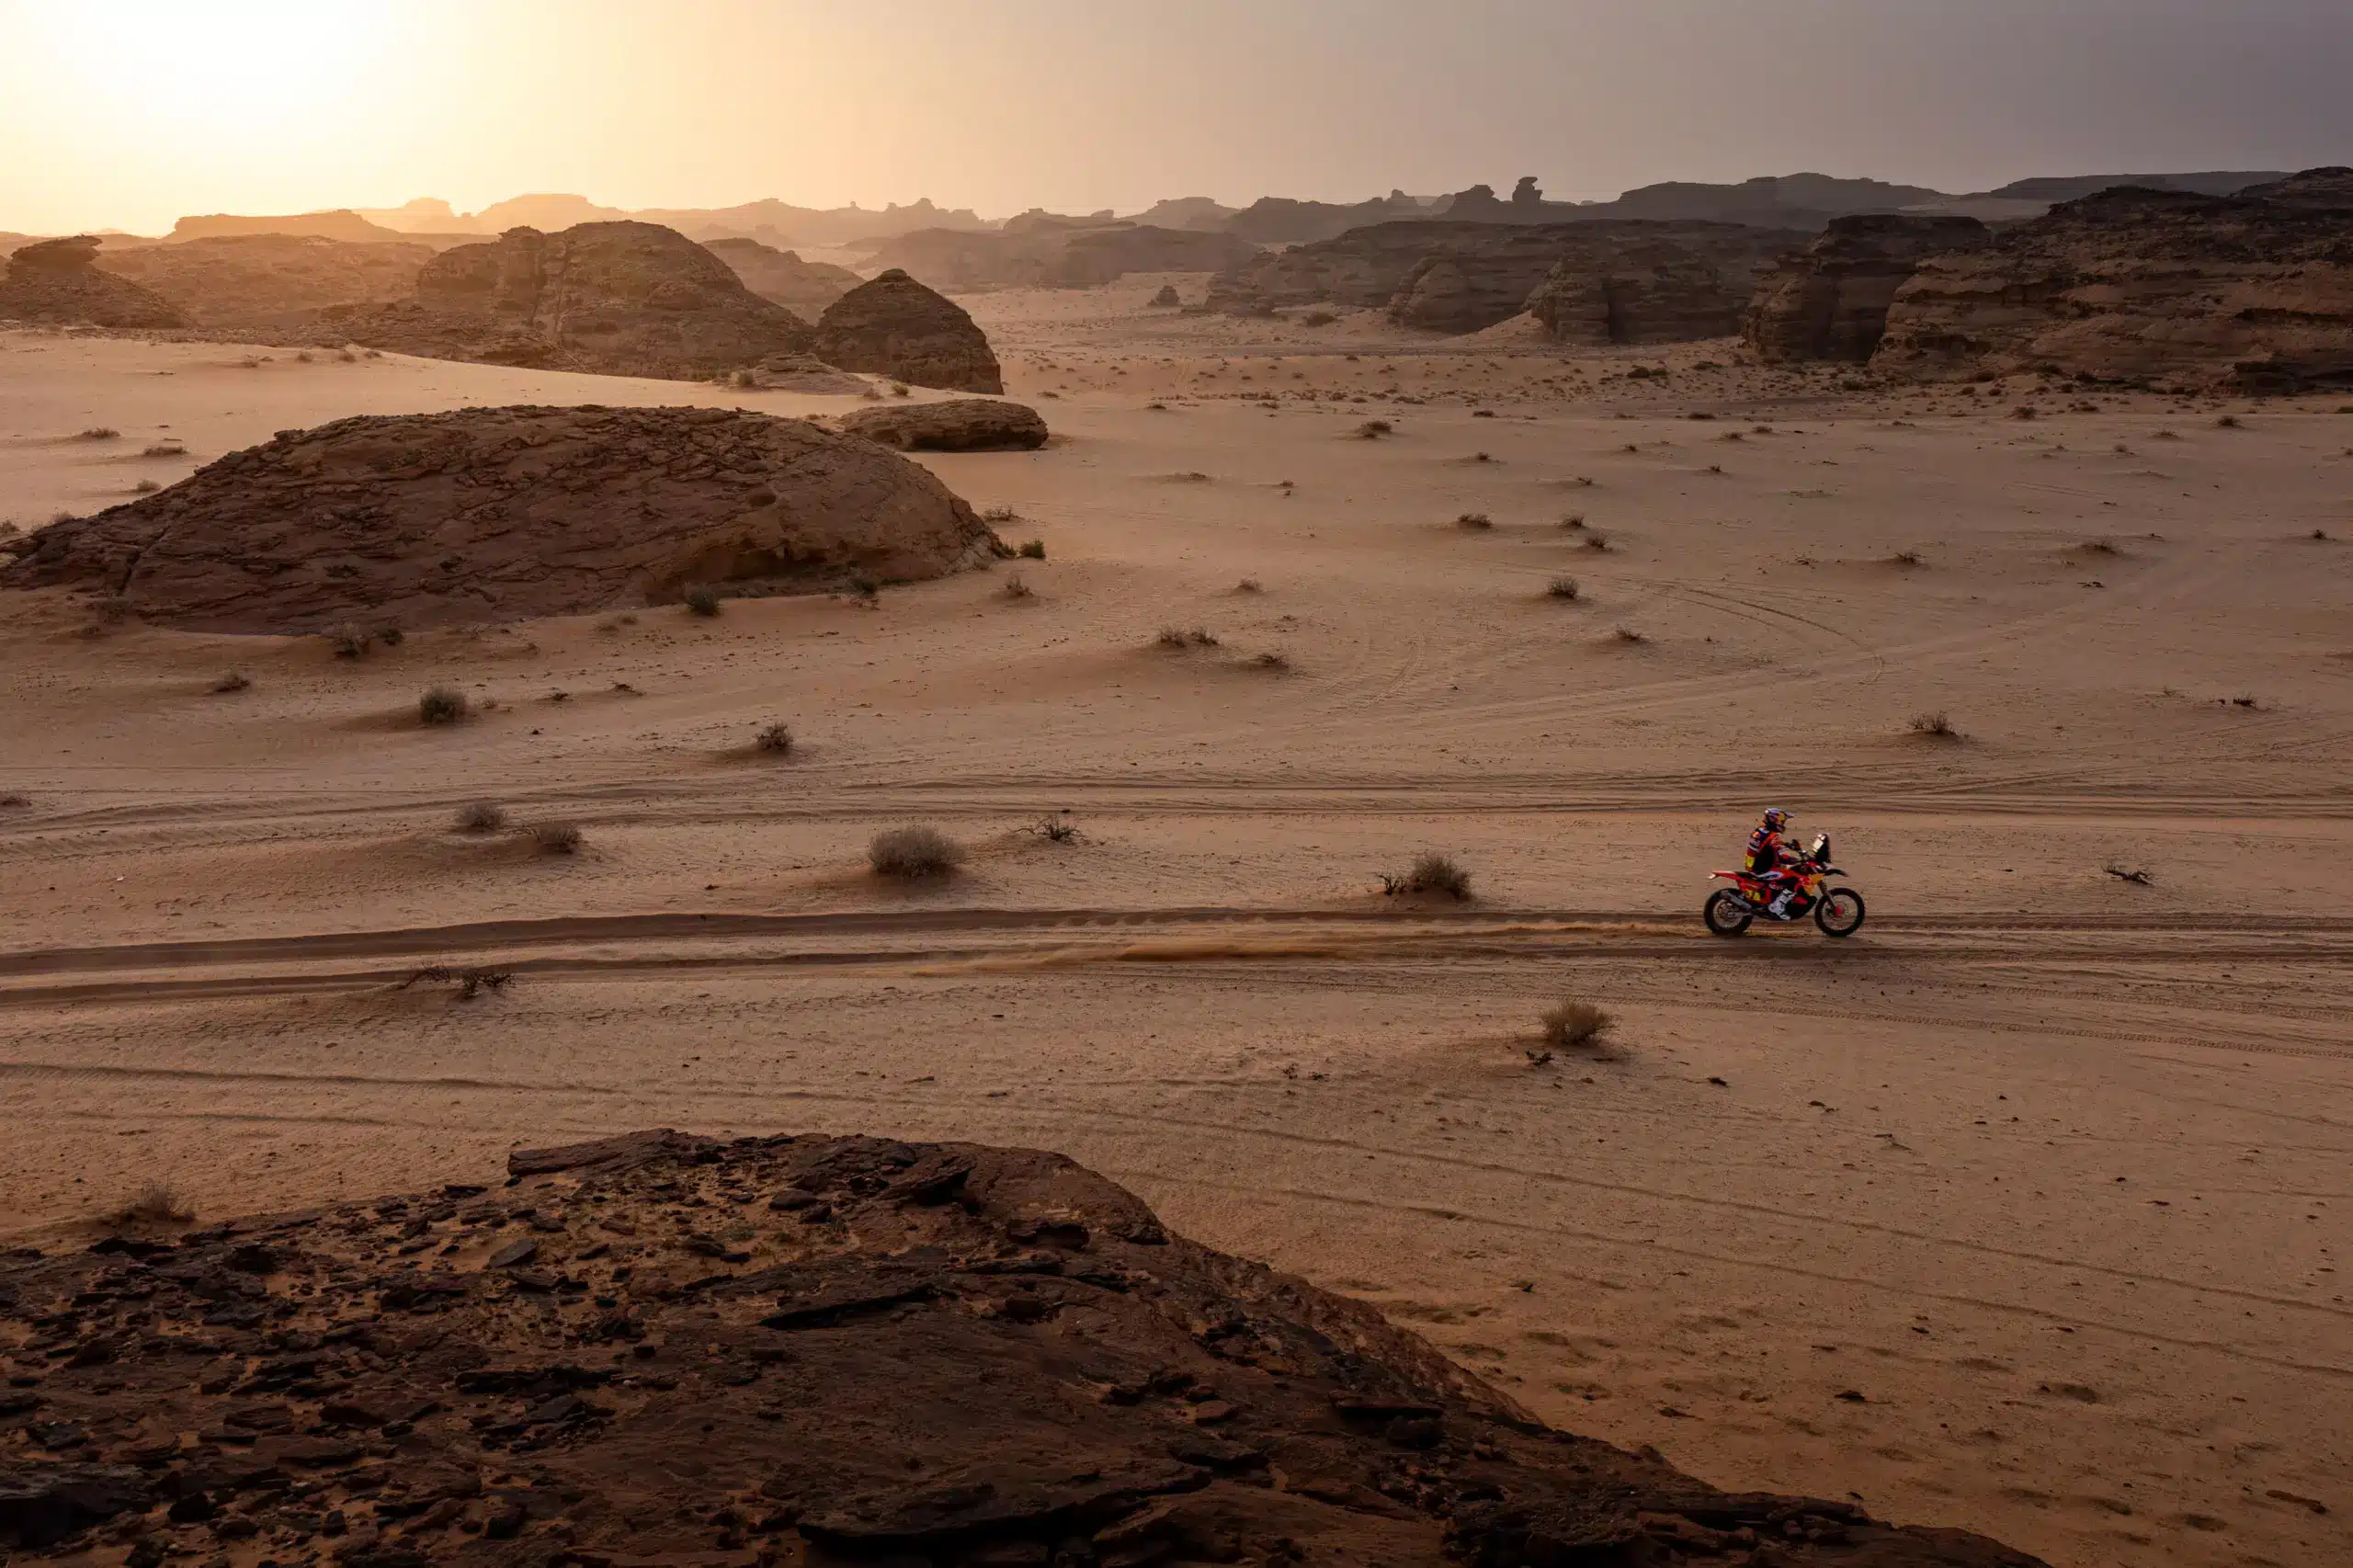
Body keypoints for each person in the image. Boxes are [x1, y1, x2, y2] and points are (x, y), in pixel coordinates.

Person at [1744, 808, 1799, 917]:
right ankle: (1777, 907)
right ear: (1775, 820)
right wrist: (1795, 860)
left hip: (1752, 865)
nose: (1782, 824)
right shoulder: (1772, 836)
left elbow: (1769, 846)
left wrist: (1786, 844)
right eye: (1782, 821)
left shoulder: (1759, 830)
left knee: (1783, 868)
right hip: (1763, 868)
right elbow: (1781, 856)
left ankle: (1771, 896)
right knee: (1794, 878)